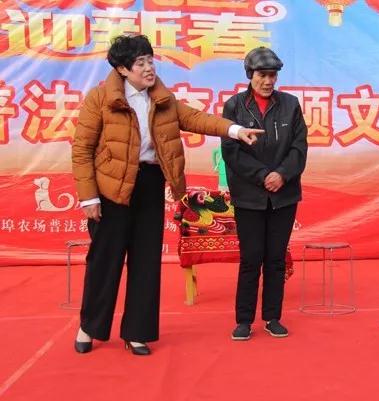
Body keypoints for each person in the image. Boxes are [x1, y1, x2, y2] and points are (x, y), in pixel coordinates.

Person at [71, 34, 262, 355]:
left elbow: (196, 118)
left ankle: (137, 332)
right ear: (122, 69)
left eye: (150, 60)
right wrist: (89, 197)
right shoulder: (100, 98)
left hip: (148, 183)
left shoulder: (162, 99)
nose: (149, 68)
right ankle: (89, 327)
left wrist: (235, 130)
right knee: (105, 261)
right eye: (140, 63)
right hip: (111, 190)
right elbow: (82, 150)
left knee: (146, 261)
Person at [221, 47, 308, 340]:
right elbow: (231, 152)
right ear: (250, 75)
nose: (268, 81)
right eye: (262, 75)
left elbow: (299, 147)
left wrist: (281, 174)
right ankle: (244, 320)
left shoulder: (290, 105)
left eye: (272, 75)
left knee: (275, 259)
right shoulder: (234, 106)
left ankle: (272, 317)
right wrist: (262, 176)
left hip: (284, 194)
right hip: (249, 196)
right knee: (251, 259)